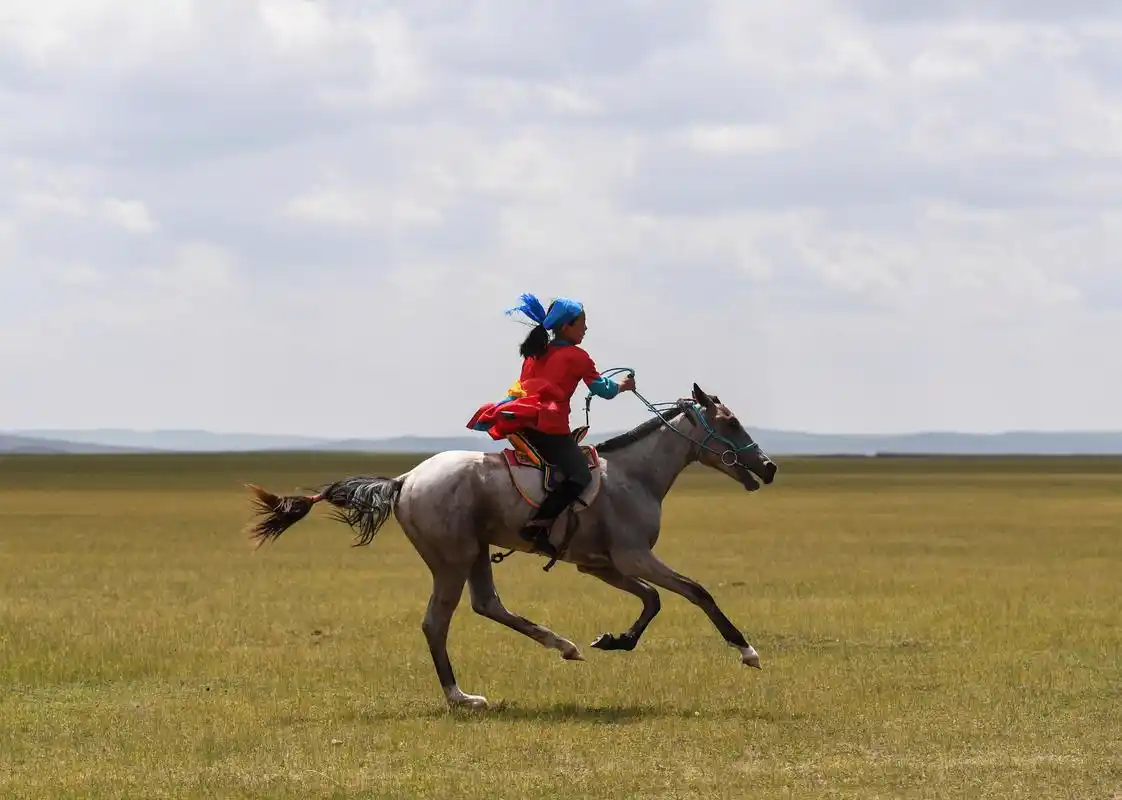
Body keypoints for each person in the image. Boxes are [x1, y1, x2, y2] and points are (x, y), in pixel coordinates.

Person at [467, 293, 635, 555]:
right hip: (550, 429)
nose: (586, 328)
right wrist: (624, 386)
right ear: (567, 326)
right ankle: (537, 526)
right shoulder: (577, 357)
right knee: (580, 475)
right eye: (582, 323)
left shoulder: (534, 354)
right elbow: (603, 389)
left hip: (523, 425)